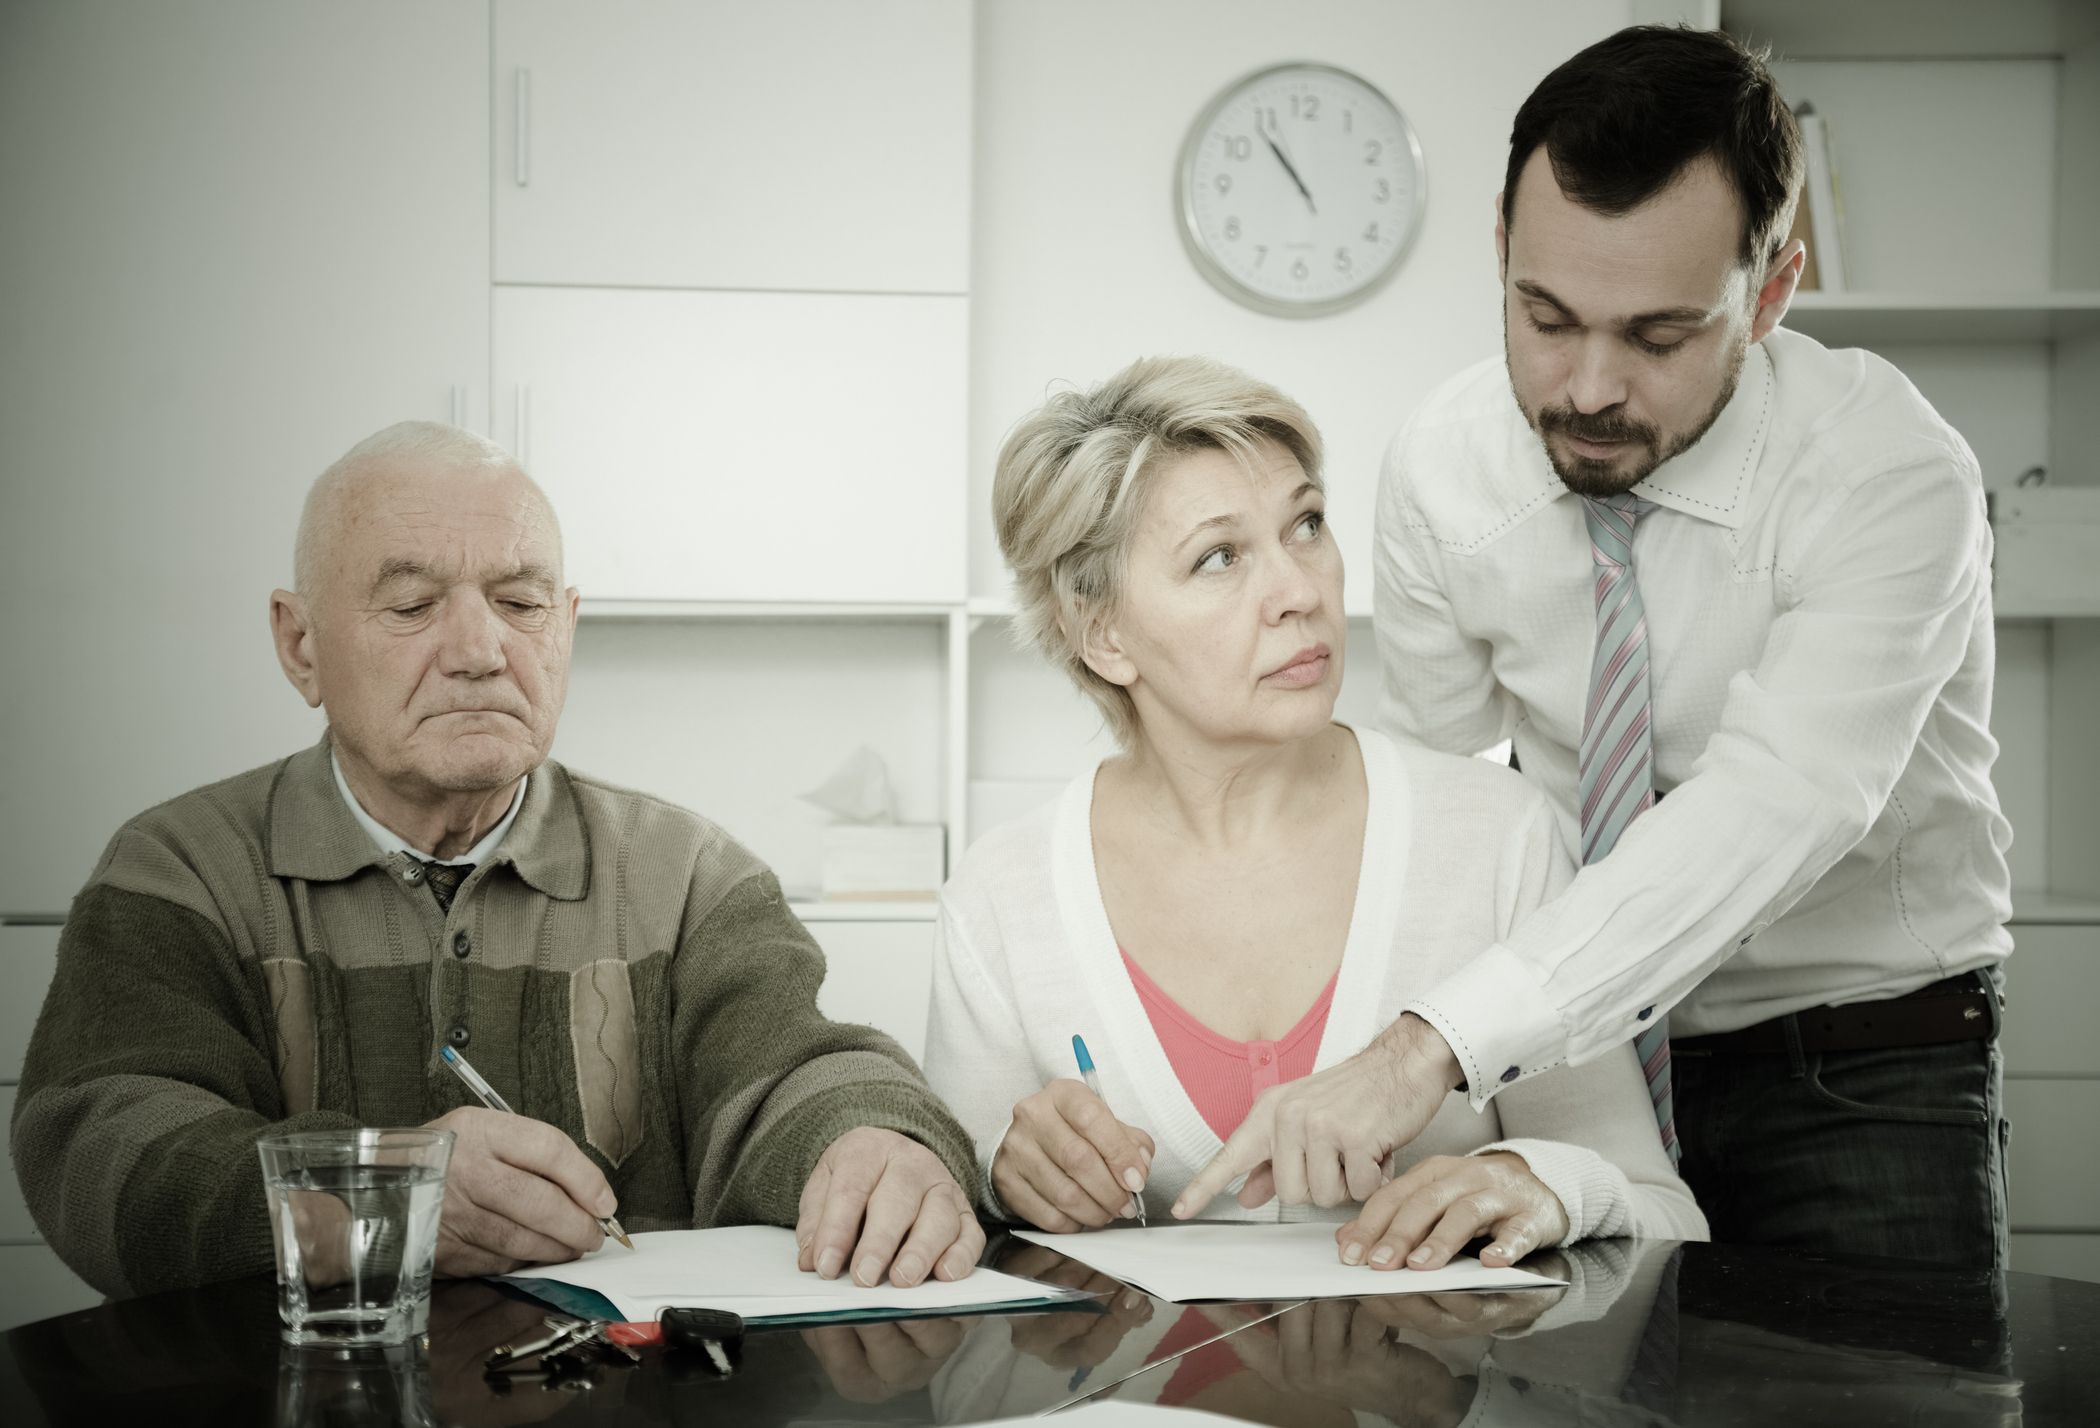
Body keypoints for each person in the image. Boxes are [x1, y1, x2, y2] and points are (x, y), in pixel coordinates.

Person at [1175, 26, 2012, 1271]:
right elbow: (1432, 797)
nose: (1588, 388)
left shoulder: (1890, 473)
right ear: (1503, 253)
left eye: (1660, 337)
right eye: (1545, 317)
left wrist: (1427, 1048)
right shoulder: (1444, 464)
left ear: (1770, 293)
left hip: (1854, 1063)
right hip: (1564, 1067)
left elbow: (1774, 808)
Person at [10, 421, 985, 1298]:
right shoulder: (181, 869)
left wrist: (875, 1139)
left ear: (564, 626)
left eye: (519, 602)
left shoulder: (688, 872)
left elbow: (794, 1066)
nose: (479, 650)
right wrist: (378, 1194)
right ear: (299, 644)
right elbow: (100, 1147)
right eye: (411, 606)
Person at [923, 356, 1704, 1277]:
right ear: (1104, 634)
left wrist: (1537, 1184)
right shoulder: (1003, 897)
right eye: (1220, 557)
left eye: (1307, 526)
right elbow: (954, 1247)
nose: (1300, 589)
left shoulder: (1498, 838)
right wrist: (1005, 1185)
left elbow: (1661, 1210)